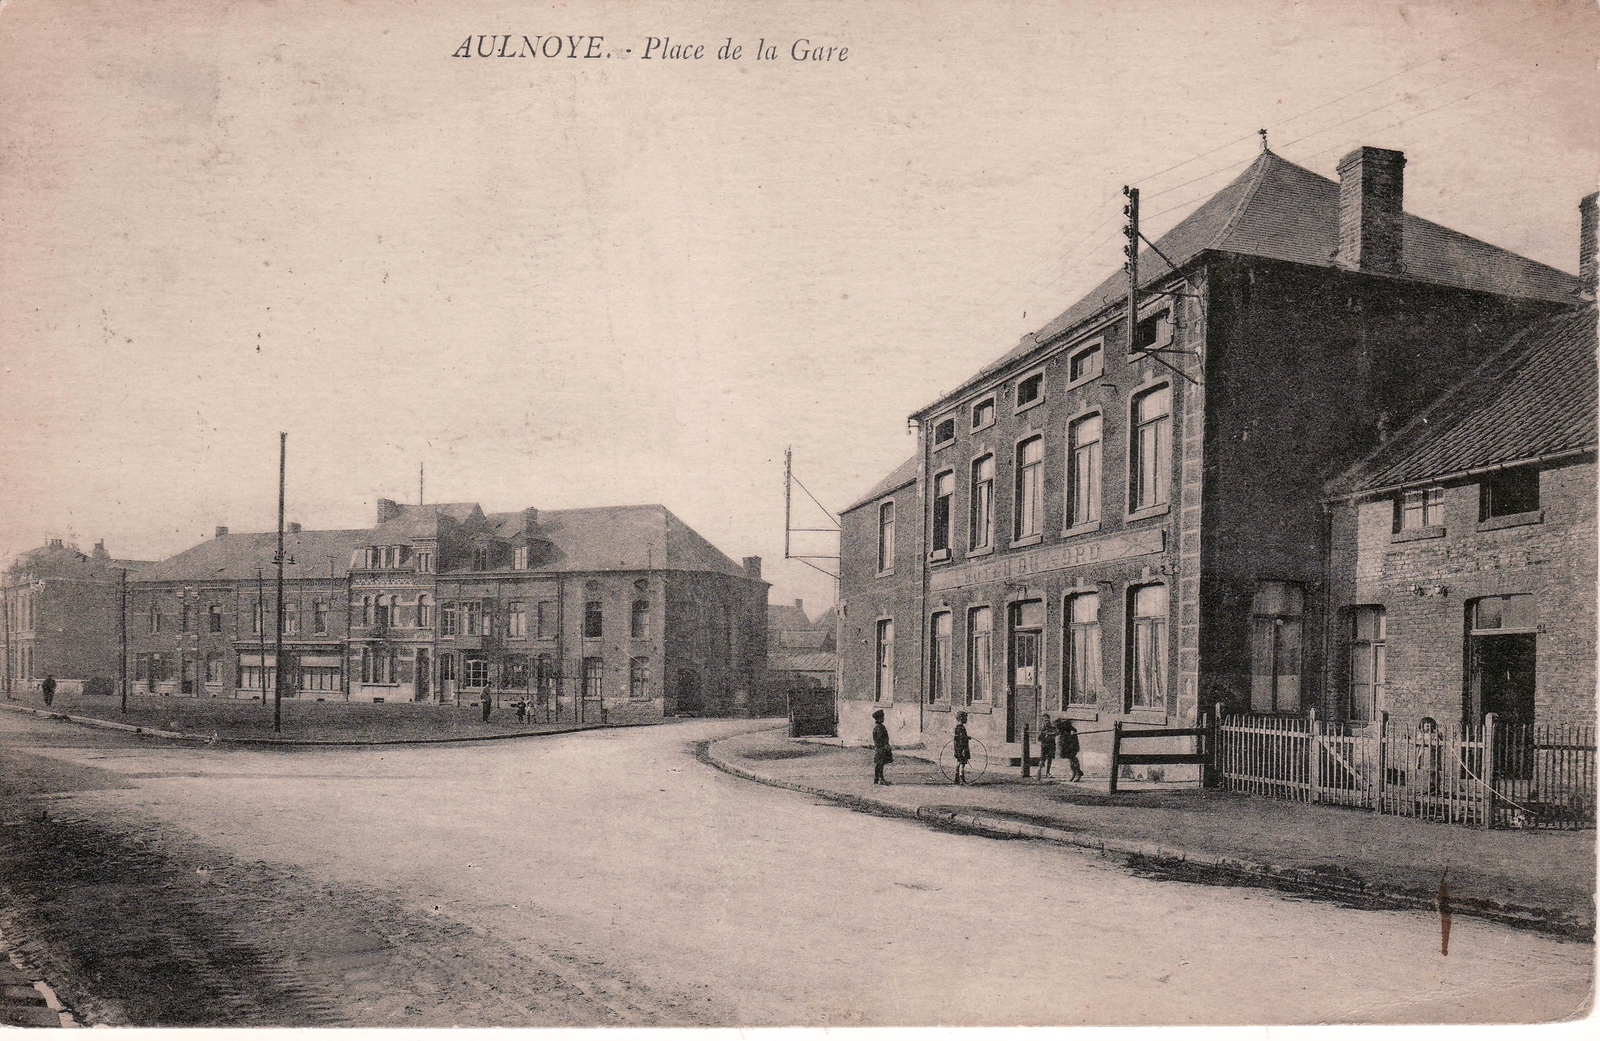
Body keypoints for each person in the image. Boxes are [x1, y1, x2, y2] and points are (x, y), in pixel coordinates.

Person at [871, 709, 893, 785]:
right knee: (880, 763)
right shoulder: (880, 728)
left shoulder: (878, 727)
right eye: (882, 717)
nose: (884, 718)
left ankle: (876, 778)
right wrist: (885, 746)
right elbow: (880, 738)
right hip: (881, 748)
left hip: (879, 748)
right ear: (879, 719)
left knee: (879, 763)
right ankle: (881, 779)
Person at [952, 711, 972, 785]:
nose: (966, 719)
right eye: (965, 718)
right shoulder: (961, 728)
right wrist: (963, 750)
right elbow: (961, 739)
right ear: (961, 718)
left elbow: (959, 738)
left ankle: (956, 779)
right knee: (962, 764)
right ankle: (962, 779)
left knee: (958, 762)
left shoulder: (957, 727)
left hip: (957, 748)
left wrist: (967, 737)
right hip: (962, 748)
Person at [1037, 713, 1057, 779]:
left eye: (1048, 720)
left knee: (1050, 759)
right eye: (1045, 721)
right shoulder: (1042, 729)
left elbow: (1056, 733)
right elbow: (1039, 738)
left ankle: (1048, 772)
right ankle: (1039, 771)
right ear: (1043, 721)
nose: (1047, 722)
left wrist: (1054, 734)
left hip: (1051, 745)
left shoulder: (1052, 728)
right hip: (1044, 745)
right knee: (1042, 759)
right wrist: (1045, 736)